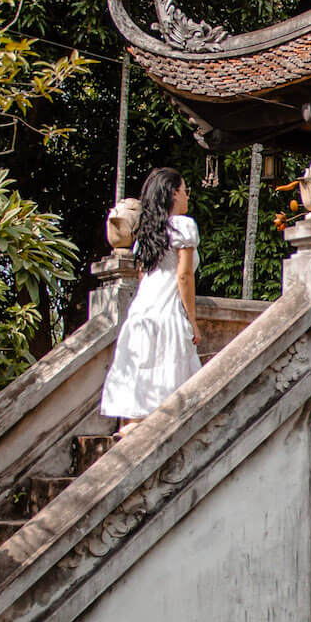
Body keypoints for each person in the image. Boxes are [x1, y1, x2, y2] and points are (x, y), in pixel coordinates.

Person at [100, 168, 201, 431]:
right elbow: (184, 276)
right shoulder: (183, 225)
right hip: (167, 312)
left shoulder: (147, 233)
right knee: (171, 399)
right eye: (185, 190)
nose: (187, 196)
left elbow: (145, 277)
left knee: (139, 397)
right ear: (174, 193)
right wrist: (192, 321)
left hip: (142, 312)